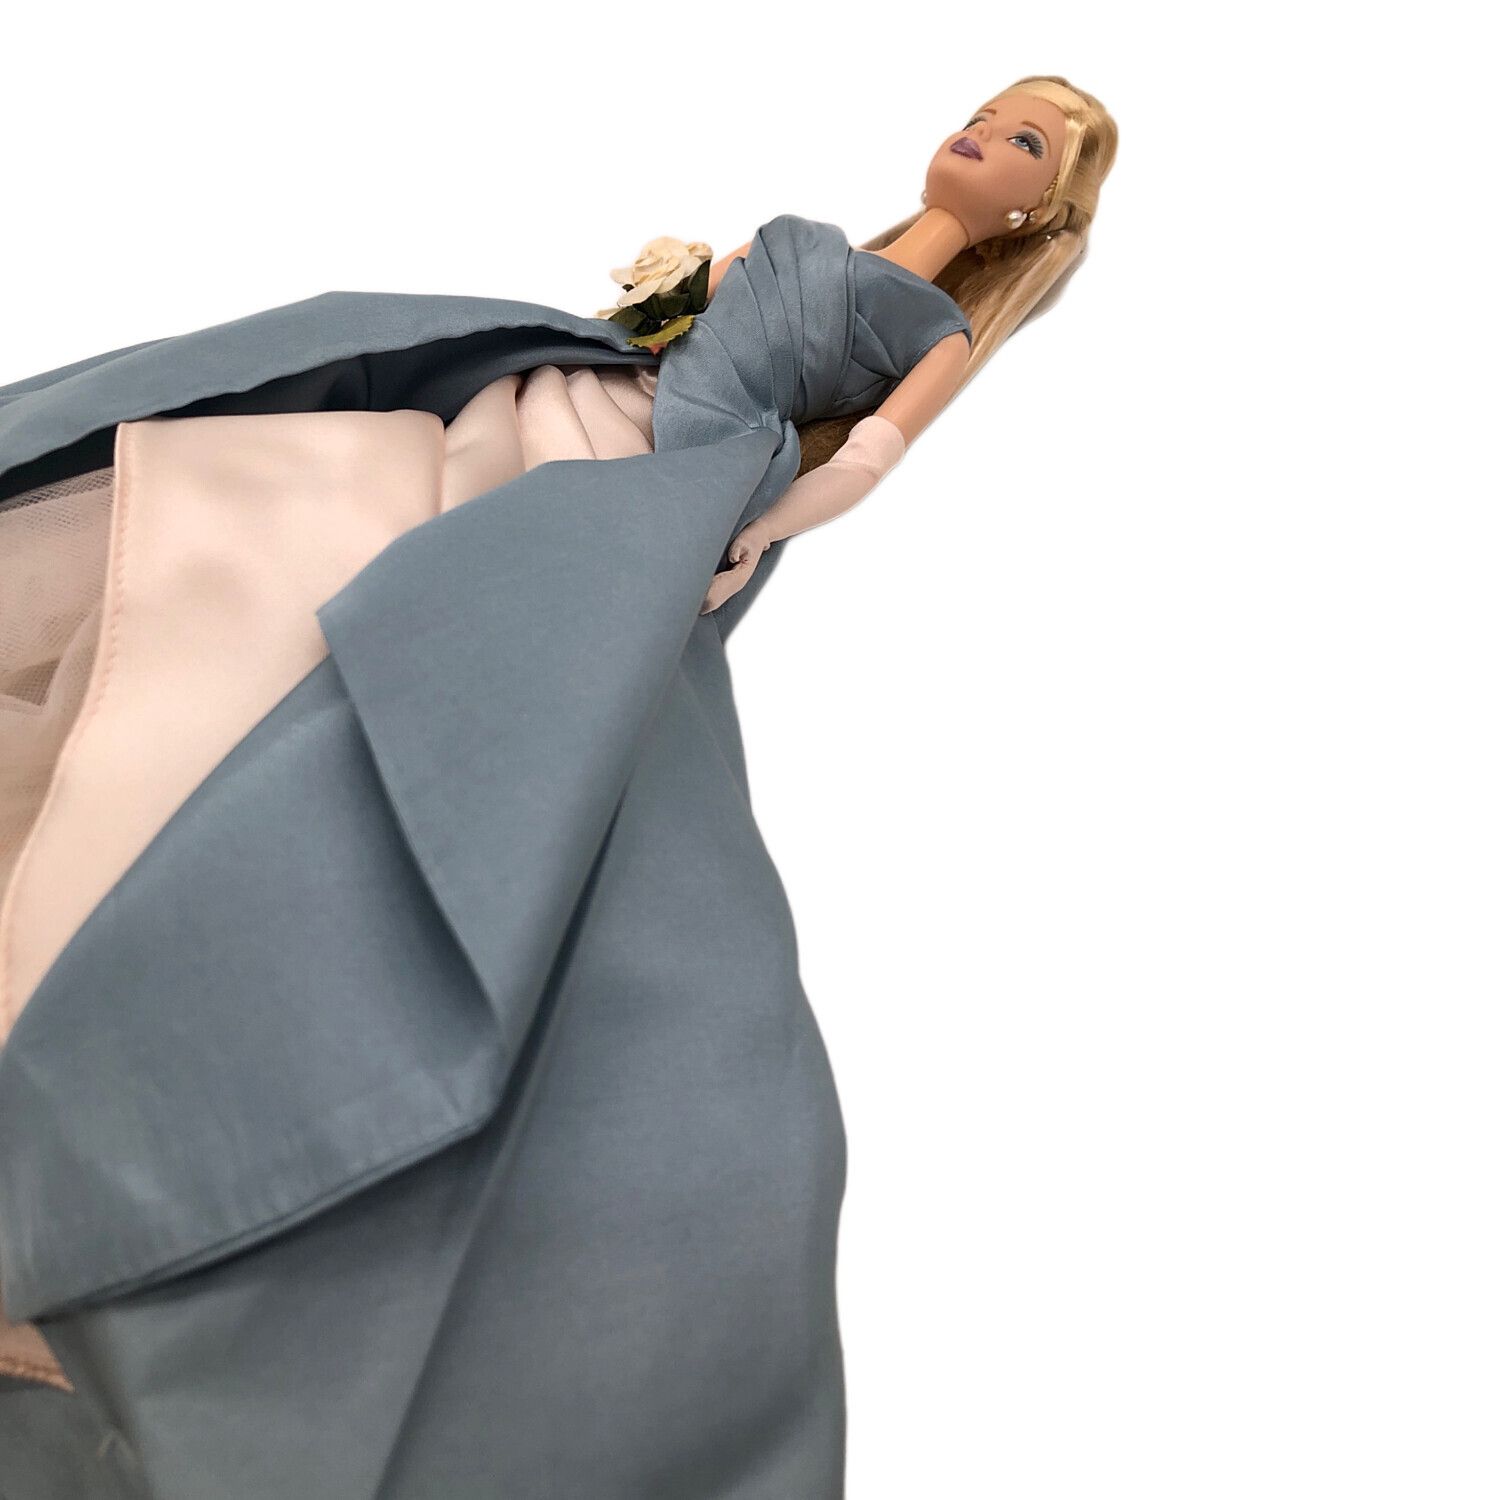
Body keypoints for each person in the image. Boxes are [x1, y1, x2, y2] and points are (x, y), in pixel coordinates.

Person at [0, 76, 1116, 1499]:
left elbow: (869, 463)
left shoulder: (934, 329)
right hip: (571, 399)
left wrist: (745, 527)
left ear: (1039, 209)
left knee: (492, 646)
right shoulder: (826, 244)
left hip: (666, 483)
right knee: (332, 531)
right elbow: (673, 322)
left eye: (1024, 144)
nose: (983, 138)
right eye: (991, 113)